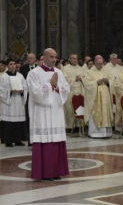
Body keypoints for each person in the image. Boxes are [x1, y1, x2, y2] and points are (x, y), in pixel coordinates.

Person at [27, 48, 70, 180]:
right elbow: (35, 93)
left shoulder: (59, 72)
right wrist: (49, 85)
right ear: (44, 58)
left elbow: (66, 89)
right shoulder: (34, 73)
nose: (54, 59)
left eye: (55, 57)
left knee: (56, 141)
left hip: (56, 112)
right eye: (51, 57)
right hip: (42, 112)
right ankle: (45, 173)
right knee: (45, 142)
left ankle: (56, 172)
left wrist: (57, 86)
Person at [0, 58, 27, 147]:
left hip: (18, 100)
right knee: (8, 122)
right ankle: (8, 141)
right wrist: (9, 91)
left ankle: (18, 140)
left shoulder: (20, 76)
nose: (13, 66)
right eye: (11, 64)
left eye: (14, 64)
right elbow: (0, 90)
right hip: (8, 103)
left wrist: (23, 92)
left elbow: (25, 87)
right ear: (7, 66)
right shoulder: (4, 76)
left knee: (18, 122)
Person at [83, 57, 113, 138]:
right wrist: (96, 82)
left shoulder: (105, 72)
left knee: (105, 112)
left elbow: (112, 81)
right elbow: (86, 83)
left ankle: (106, 133)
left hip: (105, 95)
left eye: (102, 64)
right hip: (95, 96)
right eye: (99, 64)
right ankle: (95, 133)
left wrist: (108, 82)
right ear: (95, 63)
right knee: (97, 112)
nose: (100, 65)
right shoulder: (89, 72)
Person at [63, 53, 86, 132]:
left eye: (76, 58)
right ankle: (69, 126)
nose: (75, 60)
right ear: (70, 59)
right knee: (70, 108)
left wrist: (81, 78)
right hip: (70, 90)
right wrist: (74, 78)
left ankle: (79, 126)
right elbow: (64, 79)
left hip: (80, 90)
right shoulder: (65, 68)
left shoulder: (81, 69)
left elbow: (85, 78)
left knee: (80, 106)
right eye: (73, 58)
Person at [20, 53, 37, 147]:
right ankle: (30, 139)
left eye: (31, 58)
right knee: (29, 116)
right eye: (28, 58)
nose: (29, 59)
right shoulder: (23, 69)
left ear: (35, 59)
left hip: (38, 96)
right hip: (29, 96)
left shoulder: (39, 68)